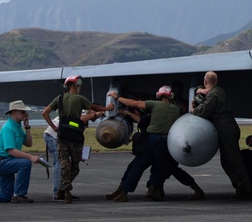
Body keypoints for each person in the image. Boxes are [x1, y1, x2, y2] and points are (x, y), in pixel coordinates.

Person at [105, 86, 203, 201]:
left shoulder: (154, 105)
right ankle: (153, 189)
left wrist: (117, 97)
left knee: (137, 166)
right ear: (171, 95)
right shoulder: (177, 108)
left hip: (151, 141)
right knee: (161, 167)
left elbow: (134, 103)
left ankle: (124, 192)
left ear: (158, 95)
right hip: (167, 143)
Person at [41, 75, 114, 204]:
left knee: (63, 164)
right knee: (73, 166)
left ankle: (63, 191)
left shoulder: (60, 98)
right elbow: (94, 109)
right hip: (74, 137)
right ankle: (62, 190)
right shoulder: (81, 100)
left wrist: (54, 127)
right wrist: (108, 108)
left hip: (61, 136)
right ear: (76, 85)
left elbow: (45, 112)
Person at [192, 71, 252, 199]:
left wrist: (193, 110)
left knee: (234, 160)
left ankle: (247, 189)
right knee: (226, 161)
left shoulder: (213, 95)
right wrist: (200, 90)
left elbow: (203, 112)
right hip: (228, 127)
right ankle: (239, 184)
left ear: (205, 82)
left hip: (225, 129)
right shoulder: (219, 90)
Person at [42, 109, 105, 201]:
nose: (97, 117)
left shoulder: (85, 120)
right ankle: (57, 193)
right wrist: (95, 114)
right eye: (96, 114)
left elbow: (76, 135)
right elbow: (81, 119)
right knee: (60, 163)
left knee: (70, 166)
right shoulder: (81, 112)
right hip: (53, 136)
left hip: (62, 137)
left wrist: (78, 153)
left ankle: (63, 189)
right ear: (90, 110)